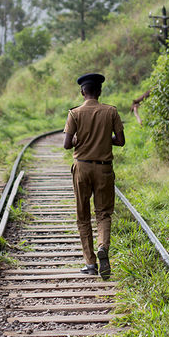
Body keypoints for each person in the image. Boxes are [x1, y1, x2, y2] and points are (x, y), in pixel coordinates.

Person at [63, 73, 125, 279]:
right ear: (99, 91)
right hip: (104, 169)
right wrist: (104, 139)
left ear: (82, 92)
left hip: (81, 168)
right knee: (103, 214)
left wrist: (81, 140)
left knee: (83, 215)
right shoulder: (111, 112)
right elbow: (121, 141)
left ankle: (90, 263)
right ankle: (103, 247)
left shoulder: (74, 114)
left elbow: (66, 144)